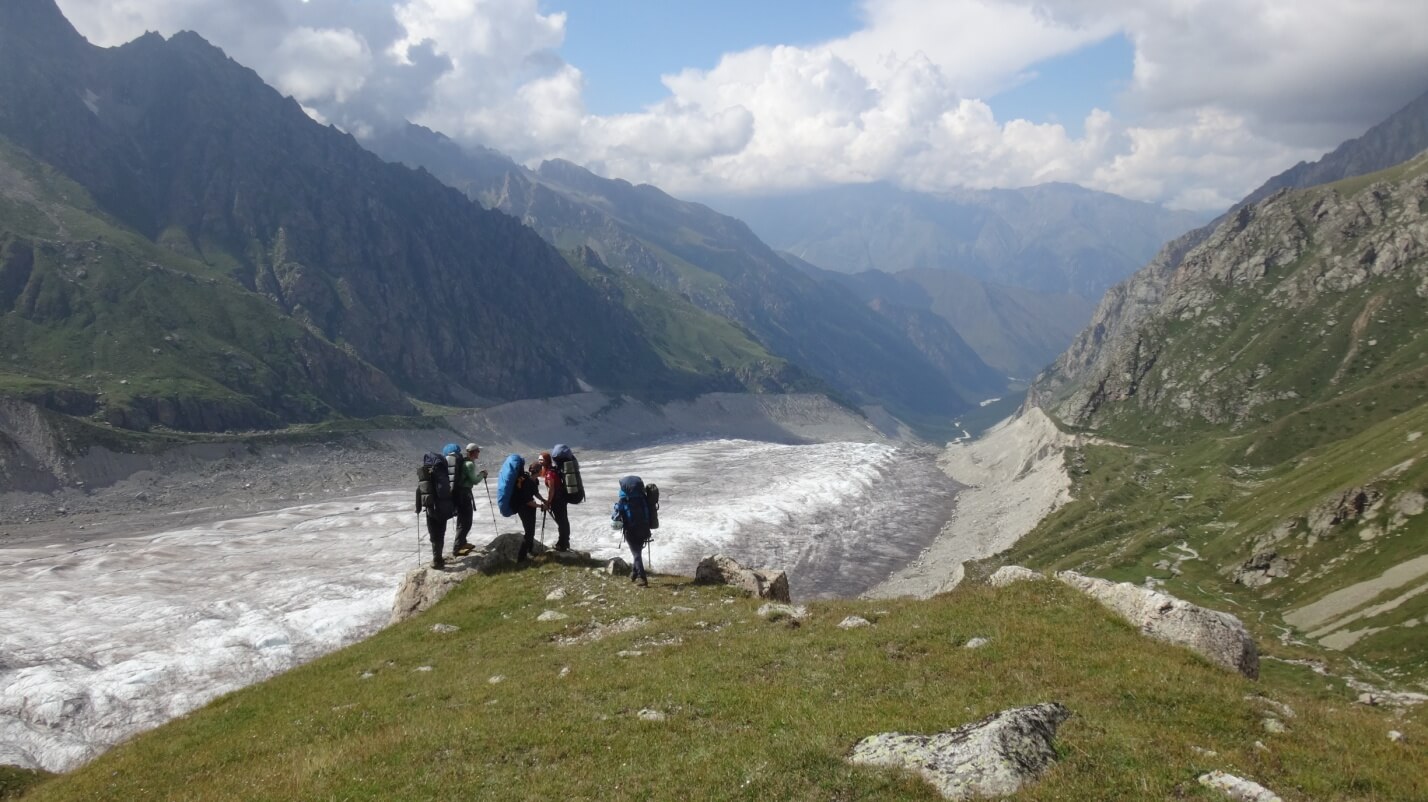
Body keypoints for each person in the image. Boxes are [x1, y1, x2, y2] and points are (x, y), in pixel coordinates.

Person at [611, 476, 652, 587]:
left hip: (631, 530)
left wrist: (614, 507)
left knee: (636, 554)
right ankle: (634, 574)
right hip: (644, 529)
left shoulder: (623, 500)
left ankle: (642, 578)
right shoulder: (643, 498)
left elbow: (615, 517)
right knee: (637, 551)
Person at [452, 443, 488, 556]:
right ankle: (457, 548)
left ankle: (462, 543)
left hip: (460, 494)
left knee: (463, 520)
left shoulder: (465, 462)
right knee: (465, 521)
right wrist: (483, 474)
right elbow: (474, 480)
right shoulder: (469, 464)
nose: (479, 453)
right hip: (464, 495)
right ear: (473, 452)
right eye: (478, 451)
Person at [514, 457, 547, 561]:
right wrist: (541, 506)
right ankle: (521, 558)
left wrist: (543, 500)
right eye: (541, 469)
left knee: (531, 531)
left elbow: (535, 493)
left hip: (528, 508)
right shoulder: (528, 483)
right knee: (529, 533)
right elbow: (528, 501)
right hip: (524, 509)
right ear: (538, 471)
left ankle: (529, 551)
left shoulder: (534, 480)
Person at [538, 451, 572, 551]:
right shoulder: (554, 470)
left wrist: (548, 502)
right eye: (539, 459)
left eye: (542, 460)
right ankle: (564, 542)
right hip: (561, 499)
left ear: (547, 461)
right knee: (563, 521)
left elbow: (552, 489)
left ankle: (562, 544)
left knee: (561, 522)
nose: (540, 462)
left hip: (557, 501)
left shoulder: (550, 473)